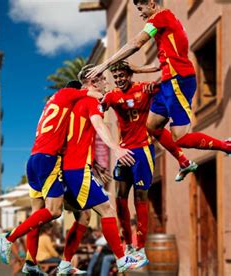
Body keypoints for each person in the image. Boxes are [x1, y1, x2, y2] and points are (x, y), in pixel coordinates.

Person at [87, 0, 230, 156]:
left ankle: (226, 146)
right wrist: (139, 69)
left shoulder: (160, 17)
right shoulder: (166, 22)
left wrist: (105, 65)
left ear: (152, 4)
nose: (140, 13)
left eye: (141, 9)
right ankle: (183, 162)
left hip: (178, 80)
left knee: (180, 138)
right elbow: (163, 61)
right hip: (169, 82)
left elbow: (136, 43)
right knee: (152, 125)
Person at [0, 80, 104, 275]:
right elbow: (94, 96)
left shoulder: (51, 105)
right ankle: (9, 237)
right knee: (56, 212)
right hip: (49, 160)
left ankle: (30, 262)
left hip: (33, 160)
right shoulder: (70, 96)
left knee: (37, 215)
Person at [56, 65, 147, 274]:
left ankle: (64, 263)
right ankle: (122, 258)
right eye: (103, 79)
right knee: (107, 210)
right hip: (76, 170)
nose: (107, 83)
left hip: (70, 169)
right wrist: (115, 147)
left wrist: (93, 163)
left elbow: (75, 139)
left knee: (84, 217)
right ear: (93, 81)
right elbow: (99, 126)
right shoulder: (89, 102)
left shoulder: (73, 105)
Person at [102, 61, 195, 262]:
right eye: (115, 77)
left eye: (122, 75)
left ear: (129, 74)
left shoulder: (144, 88)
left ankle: (141, 247)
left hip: (143, 150)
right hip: (124, 152)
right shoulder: (112, 96)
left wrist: (140, 69)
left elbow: (167, 77)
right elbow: (96, 107)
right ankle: (128, 245)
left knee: (140, 199)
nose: (118, 80)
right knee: (119, 199)